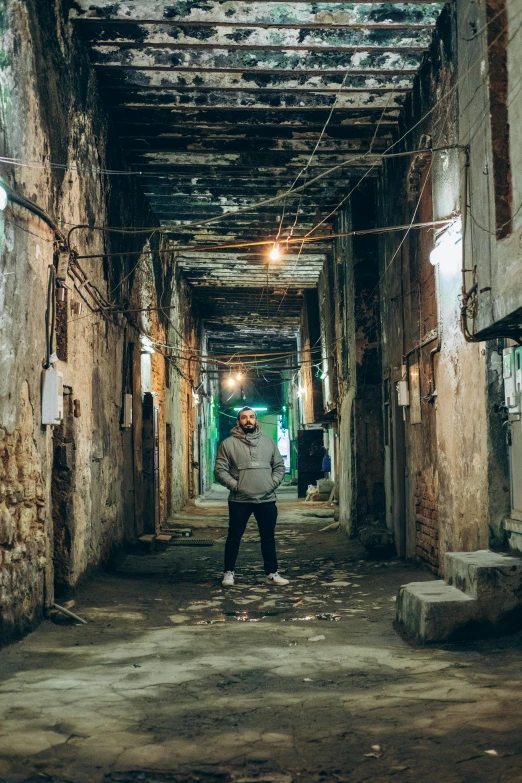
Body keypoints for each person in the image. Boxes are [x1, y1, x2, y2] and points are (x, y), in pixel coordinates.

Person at [214, 406, 289, 587]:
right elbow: (220, 470)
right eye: (244, 417)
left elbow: (279, 466)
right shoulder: (228, 444)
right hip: (240, 500)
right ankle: (228, 573)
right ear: (238, 421)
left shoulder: (269, 443)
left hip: (267, 499)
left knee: (268, 537)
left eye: (251, 417)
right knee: (234, 536)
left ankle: (271, 574)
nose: (248, 420)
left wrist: (273, 483)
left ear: (256, 420)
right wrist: (236, 486)